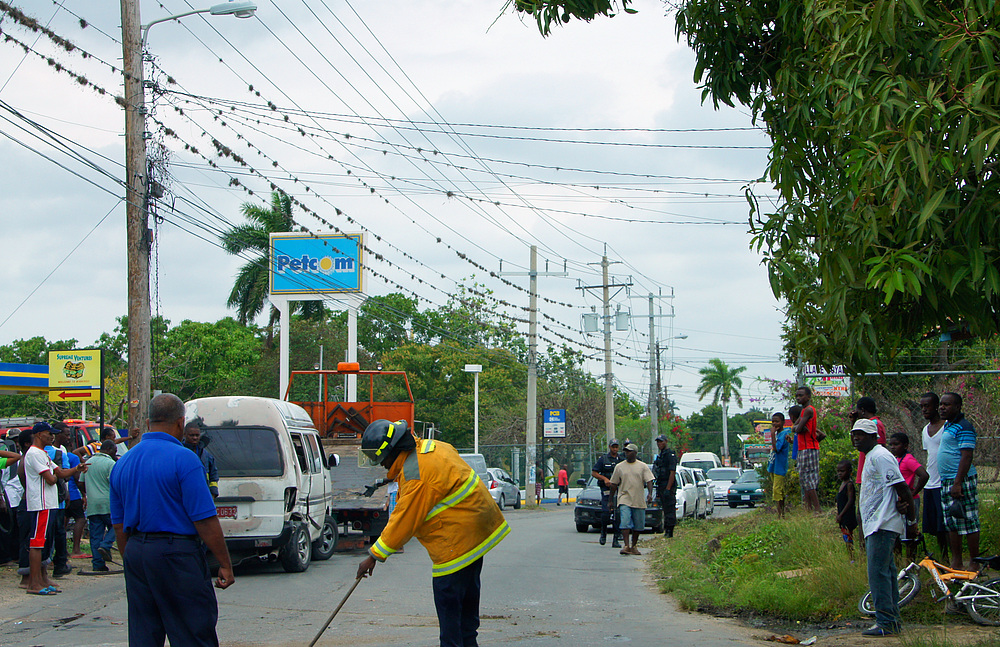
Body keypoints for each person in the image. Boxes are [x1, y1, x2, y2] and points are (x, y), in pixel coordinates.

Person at [356, 419, 510, 647]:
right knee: (466, 616)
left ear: (392, 452)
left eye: (382, 460)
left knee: (449, 616)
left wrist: (373, 556)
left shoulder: (415, 476)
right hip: (477, 532)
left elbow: (404, 520)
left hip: (456, 543)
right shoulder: (430, 447)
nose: (381, 465)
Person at [110, 393, 235, 646]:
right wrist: (225, 563)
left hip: (137, 552)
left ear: (147, 424)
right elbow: (205, 520)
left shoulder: (123, 463)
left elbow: (119, 524)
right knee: (192, 632)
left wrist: (133, 560)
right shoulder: (185, 459)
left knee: (144, 634)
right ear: (180, 423)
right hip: (176, 554)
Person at [853, 418, 915, 637]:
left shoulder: (880, 456)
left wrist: (912, 521)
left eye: (861, 434)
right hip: (875, 524)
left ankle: (886, 622)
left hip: (883, 524)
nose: (856, 438)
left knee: (877, 574)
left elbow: (903, 488)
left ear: (873, 437)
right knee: (887, 574)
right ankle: (892, 620)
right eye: (854, 434)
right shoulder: (871, 457)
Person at [24, 422, 86, 595]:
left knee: (44, 542)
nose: (51, 437)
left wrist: (76, 468)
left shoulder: (43, 454)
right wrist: (56, 475)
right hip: (40, 504)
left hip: (49, 503)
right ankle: (33, 583)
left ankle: (41, 579)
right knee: (37, 543)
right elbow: (52, 479)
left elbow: (61, 473)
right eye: (48, 433)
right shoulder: (35, 454)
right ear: (38, 435)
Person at [937, 392, 980, 570]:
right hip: (947, 481)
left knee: (968, 520)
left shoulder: (964, 427)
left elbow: (967, 456)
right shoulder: (948, 425)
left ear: (957, 407)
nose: (942, 407)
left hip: (961, 480)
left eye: (947, 405)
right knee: (951, 521)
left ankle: (975, 562)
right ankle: (957, 561)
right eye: (941, 404)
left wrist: (958, 482)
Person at [887, 432, 929, 559]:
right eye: (891, 445)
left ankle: (911, 560)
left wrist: (914, 492)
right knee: (897, 532)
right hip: (898, 501)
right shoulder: (896, 459)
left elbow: (924, 475)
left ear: (905, 446)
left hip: (909, 501)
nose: (893, 447)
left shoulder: (908, 459)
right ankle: (899, 561)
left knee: (910, 531)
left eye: (896, 444)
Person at [609, 443, 654, 556]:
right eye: (626, 451)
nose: (627, 453)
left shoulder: (642, 466)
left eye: (629, 451)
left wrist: (650, 494)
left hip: (638, 499)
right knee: (625, 521)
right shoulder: (619, 467)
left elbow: (649, 480)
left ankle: (634, 546)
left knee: (638, 525)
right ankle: (626, 545)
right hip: (624, 498)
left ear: (635, 453)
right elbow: (614, 484)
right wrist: (610, 500)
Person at [919, 392, 949, 562]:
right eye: (922, 407)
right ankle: (942, 556)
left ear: (937, 406)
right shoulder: (925, 430)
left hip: (944, 482)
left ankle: (950, 556)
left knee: (945, 524)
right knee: (936, 526)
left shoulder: (947, 427)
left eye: (927, 406)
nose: (924, 410)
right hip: (931, 483)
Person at [52, 424, 88, 560]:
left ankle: (62, 551)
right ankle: (75, 549)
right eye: (66, 435)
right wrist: (83, 494)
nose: (68, 438)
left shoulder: (64, 452)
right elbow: (71, 477)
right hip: (68, 493)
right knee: (79, 519)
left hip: (65, 493)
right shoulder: (67, 456)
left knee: (62, 524)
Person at [80, 440, 117, 572]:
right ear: (110, 450)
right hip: (108, 503)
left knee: (95, 534)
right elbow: (115, 483)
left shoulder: (88, 462)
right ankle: (106, 545)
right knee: (116, 526)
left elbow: (80, 482)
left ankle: (98, 564)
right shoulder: (111, 463)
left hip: (93, 505)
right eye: (115, 451)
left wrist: (88, 492)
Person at [791, 387, 821, 512]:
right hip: (803, 448)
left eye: (801, 395)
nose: (798, 398)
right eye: (797, 395)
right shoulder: (803, 410)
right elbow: (795, 427)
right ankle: (808, 508)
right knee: (804, 479)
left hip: (809, 447)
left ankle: (817, 508)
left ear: (808, 396)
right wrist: (798, 427)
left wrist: (799, 428)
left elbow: (797, 429)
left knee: (809, 480)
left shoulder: (809, 410)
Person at [592, 439, 625, 547]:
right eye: (613, 447)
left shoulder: (621, 460)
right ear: (609, 447)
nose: (615, 449)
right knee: (606, 513)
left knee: (617, 514)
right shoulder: (603, 459)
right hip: (607, 490)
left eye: (616, 447)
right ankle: (603, 534)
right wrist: (604, 479)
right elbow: (594, 472)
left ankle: (616, 539)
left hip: (618, 490)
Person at [852, 397, 887, 490]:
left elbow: (880, 448)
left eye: (857, 411)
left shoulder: (874, 425)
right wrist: (853, 422)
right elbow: (855, 443)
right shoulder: (870, 424)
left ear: (862, 410)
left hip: (872, 475)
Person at [183, 421, 220, 498]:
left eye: (197, 435)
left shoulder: (206, 455)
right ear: (184, 435)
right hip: (184, 495)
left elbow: (213, 476)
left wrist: (213, 493)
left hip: (203, 496)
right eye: (192, 435)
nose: (195, 438)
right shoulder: (179, 452)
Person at [652, 434, 677, 537]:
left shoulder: (670, 455)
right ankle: (666, 530)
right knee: (664, 509)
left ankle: (670, 531)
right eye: (658, 442)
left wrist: (668, 488)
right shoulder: (661, 455)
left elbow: (672, 472)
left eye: (661, 441)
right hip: (661, 485)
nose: (659, 444)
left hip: (668, 485)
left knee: (670, 509)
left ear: (666, 441)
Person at [767, 412, 791, 519]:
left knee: (777, 491)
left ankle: (780, 514)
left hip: (780, 468)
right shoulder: (779, 435)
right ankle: (781, 514)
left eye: (777, 421)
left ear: (783, 422)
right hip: (773, 467)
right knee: (778, 491)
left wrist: (772, 434)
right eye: (773, 422)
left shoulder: (783, 434)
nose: (774, 424)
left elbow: (776, 449)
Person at [835, 459, 858, 562]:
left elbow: (850, 501)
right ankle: (850, 557)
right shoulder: (842, 484)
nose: (840, 473)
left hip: (848, 516)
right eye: (838, 471)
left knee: (848, 537)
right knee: (846, 537)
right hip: (843, 516)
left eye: (842, 471)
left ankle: (852, 558)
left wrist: (841, 514)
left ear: (849, 471)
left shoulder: (849, 484)